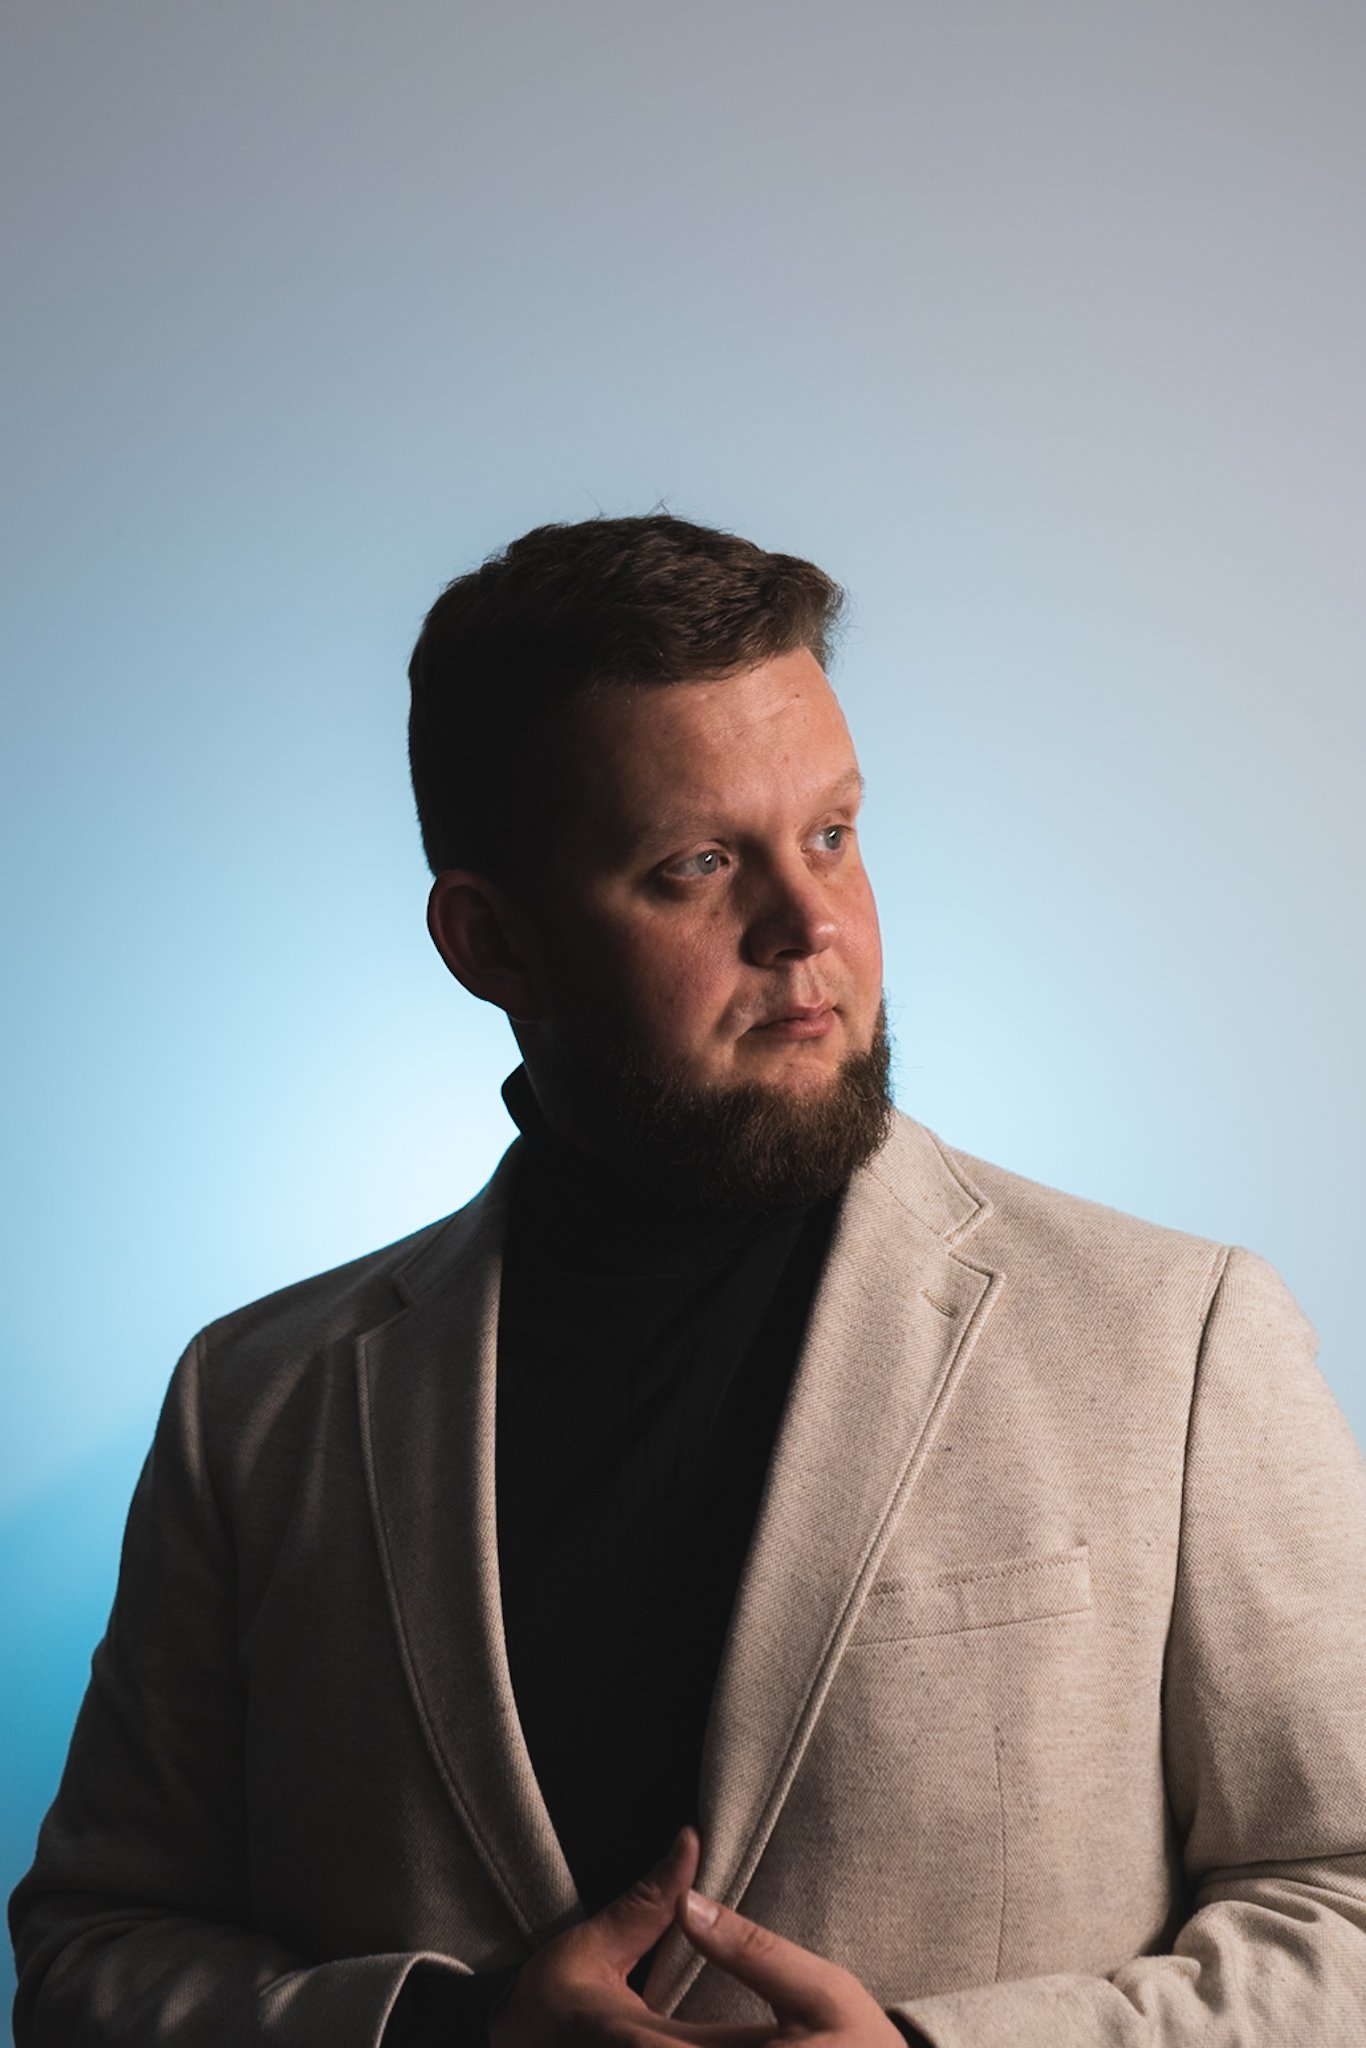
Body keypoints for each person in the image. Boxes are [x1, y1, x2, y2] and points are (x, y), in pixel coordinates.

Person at [10, 514, 1366, 2047]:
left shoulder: (1174, 1338)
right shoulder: (255, 1406)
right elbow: (91, 1954)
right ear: (490, 939)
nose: (810, 926)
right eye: (698, 865)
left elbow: (1345, 1898)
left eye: (832, 834)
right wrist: (449, 2035)